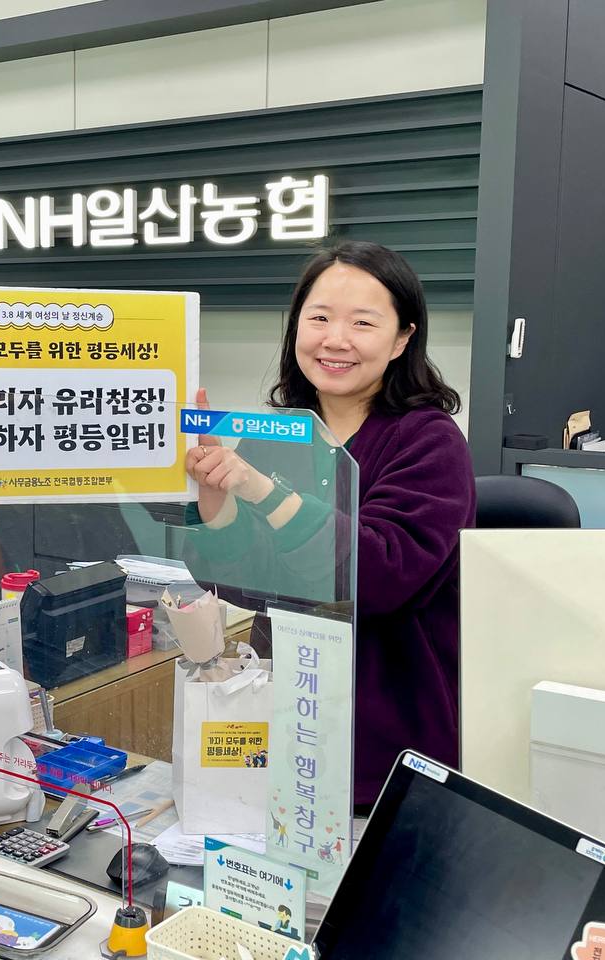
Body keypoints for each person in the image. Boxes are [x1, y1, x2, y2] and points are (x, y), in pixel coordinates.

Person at [184, 241, 475, 806]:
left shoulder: (429, 441)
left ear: (402, 339)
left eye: (363, 322)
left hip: (387, 742)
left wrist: (261, 491)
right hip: (283, 714)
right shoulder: (283, 433)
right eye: (318, 318)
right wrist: (217, 502)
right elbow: (245, 584)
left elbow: (379, 578)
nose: (335, 340)